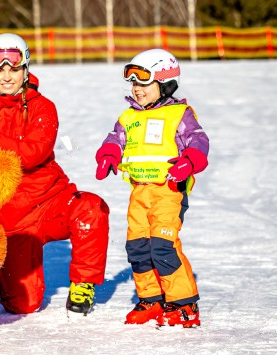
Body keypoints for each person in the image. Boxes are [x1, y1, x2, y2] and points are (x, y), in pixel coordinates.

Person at [0, 33, 110, 316]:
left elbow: (31, 155)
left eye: (14, 68)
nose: (6, 76)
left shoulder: (43, 107)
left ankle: (84, 284)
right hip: (11, 220)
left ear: (25, 70)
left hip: (50, 203)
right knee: (22, 305)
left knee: (90, 208)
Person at [95, 48, 209, 328]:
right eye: (133, 83)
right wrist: (108, 155)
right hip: (139, 193)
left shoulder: (179, 114)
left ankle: (184, 303)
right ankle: (152, 298)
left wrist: (189, 161)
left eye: (144, 83)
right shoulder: (128, 118)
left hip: (169, 192)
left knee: (163, 247)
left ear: (165, 82)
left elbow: (198, 141)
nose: (136, 89)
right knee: (137, 248)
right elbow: (114, 140)